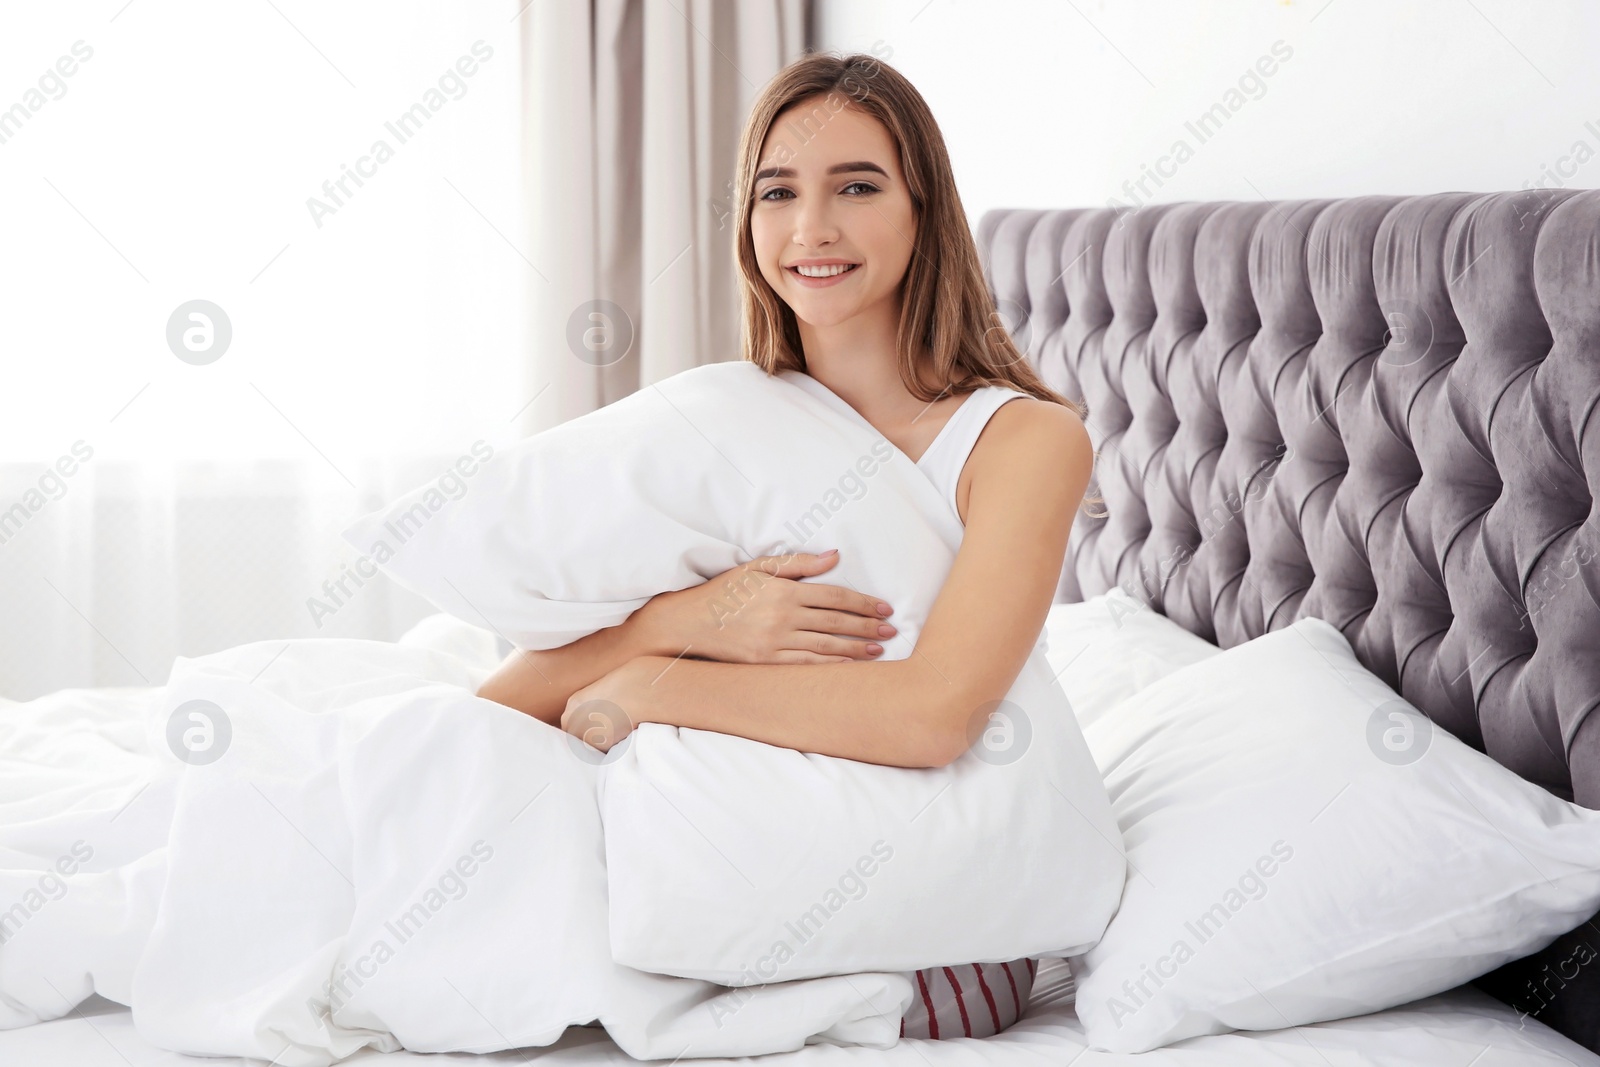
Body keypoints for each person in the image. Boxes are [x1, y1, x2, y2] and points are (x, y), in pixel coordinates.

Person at [476, 50, 1098, 1041]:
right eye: (778, 192)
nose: (811, 228)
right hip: (696, 837)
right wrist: (691, 621)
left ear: (922, 206)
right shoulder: (733, 425)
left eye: (856, 186)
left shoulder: (1021, 439)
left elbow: (935, 715)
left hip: (929, 925)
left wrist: (653, 685)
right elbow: (502, 706)